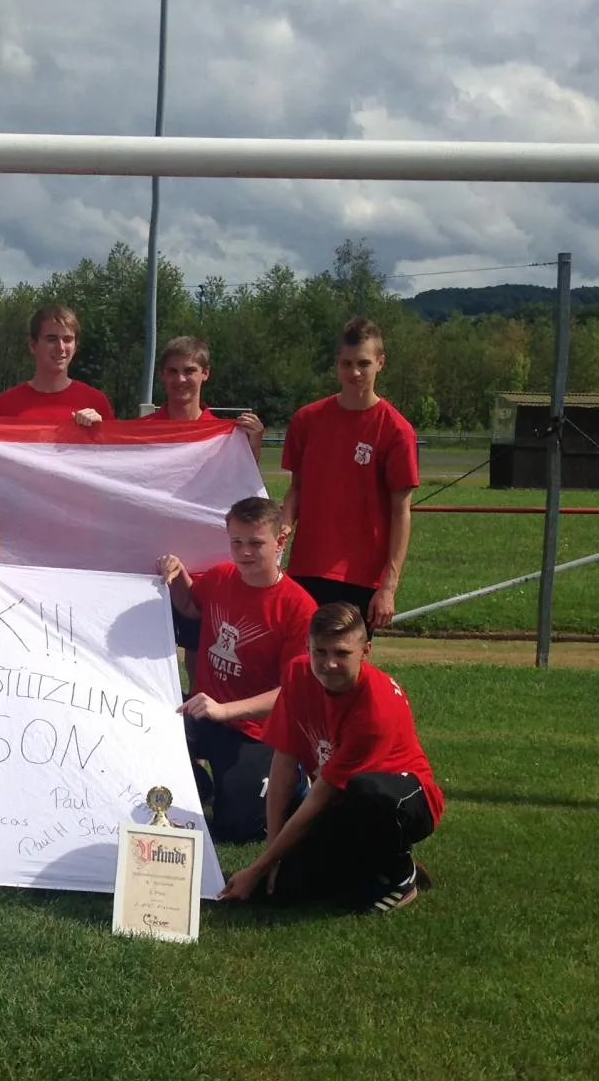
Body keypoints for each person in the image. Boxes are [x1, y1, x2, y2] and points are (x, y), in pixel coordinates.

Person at [225, 602, 441, 912]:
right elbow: (283, 762)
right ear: (307, 648)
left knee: (367, 791)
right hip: (342, 797)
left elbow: (321, 795)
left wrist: (258, 867)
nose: (329, 664)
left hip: (405, 800)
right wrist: (272, 856)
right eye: (320, 652)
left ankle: (401, 874)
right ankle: (369, 863)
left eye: (342, 653)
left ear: (366, 651)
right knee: (285, 889)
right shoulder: (298, 674)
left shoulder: (375, 707)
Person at [157, 497, 318, 843]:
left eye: (256, 543)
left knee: (238, 829)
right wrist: (177, 574)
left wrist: (225, 710)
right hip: (201, 713)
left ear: (280, 541)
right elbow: (190, 606)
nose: (244, 552)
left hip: (254, 730)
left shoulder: (299, 608)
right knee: (141, 743)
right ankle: (199, 784)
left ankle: (292, 778)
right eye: (236, 542)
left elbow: (292, 693)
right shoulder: (221, 577)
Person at [280, 317, 419, 629]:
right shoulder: (306, 420)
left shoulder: (396, 430)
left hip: (362, 576)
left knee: (345, 658)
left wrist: (389, 585)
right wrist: (283, 526)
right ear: (336, 363)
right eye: (347, 364)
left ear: (380, 363)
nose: (354, 372)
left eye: (363, 363)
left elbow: (401, 512)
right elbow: (296, 489)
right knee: (301, 653)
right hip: (306, 568)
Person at [0, 304, 113, 424]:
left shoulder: (96, 402)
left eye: (67, 340)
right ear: (33, 345)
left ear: (75, 347)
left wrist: (99, 432)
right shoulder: (3, 406)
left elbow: (113, 441)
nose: (60, 348)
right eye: (51, 339)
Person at [136, 336, 263, 447]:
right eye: (172, 371)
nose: (180, 379)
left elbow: (239, 468)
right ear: (162, 375)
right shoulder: (138, 432)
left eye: (189, 371)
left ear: (205, 373)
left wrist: (253, 449)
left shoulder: (225, 437)